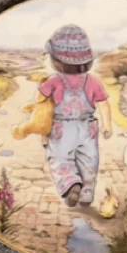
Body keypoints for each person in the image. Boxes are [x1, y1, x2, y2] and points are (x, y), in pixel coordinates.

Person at [36, 23, 112, 207]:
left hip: (61, 128)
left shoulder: (54, 81)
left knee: (59, 158)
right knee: (89, 161)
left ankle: (71, 184)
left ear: (56, 60)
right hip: (88, 128)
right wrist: (108, 125)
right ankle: (86, 195)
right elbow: (104, 103)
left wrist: (41, 87)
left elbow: (42, 102)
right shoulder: (93, 81)